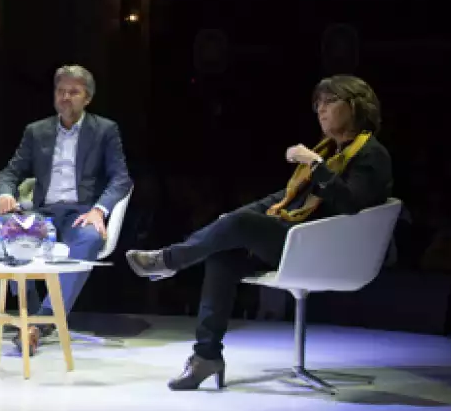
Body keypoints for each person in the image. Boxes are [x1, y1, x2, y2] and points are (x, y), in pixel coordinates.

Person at [126, 75, 392, 391]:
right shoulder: (331, 150)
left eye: (329, 102)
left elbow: (349, 203)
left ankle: (169, 260)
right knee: (224, 253)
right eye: (317, 103)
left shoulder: (371, 154)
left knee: (237, 227)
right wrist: (237, 217)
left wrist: (316, 164)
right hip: (299, 241)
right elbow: (283, 199)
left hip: (327, 251)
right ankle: (206, 356)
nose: (320, 110)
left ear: (354, 106)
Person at [0, 65, 133, 354]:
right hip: (44, 213)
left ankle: (41, 322)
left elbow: (121, 178)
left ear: (87, 98)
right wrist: (5, 193)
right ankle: (28, 317)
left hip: (80, 212)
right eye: (60, 91)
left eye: (74, 92)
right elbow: (9, 173)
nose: (66, 97)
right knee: (11, 233)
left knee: (91, 239)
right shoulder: (37, 131)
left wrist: (99, 210)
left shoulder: (104, 130)